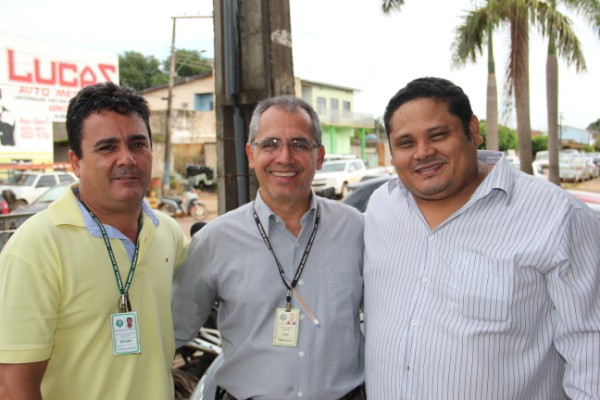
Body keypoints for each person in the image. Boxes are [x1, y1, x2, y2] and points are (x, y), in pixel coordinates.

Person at [363, 76, 600, 399]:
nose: (423, 152)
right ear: (392, 153)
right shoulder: (381, 206)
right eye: (406, 143)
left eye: (438, 135)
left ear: (472, 130)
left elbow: (590, 345)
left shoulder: (557, 216)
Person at [0, 82, 189, 400]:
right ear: (75, 162)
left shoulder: (167, 232)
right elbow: (13, 386)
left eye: (138, 144)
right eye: (107, 148)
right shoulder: (36, 247)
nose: (127, 158)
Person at [172, 95, 365, 400]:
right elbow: (172, 330)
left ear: (319, 156)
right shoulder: (215, 240)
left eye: (299, 144)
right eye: (270, 144)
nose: (284, 157)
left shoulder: (356, 229)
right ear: (251, 154)